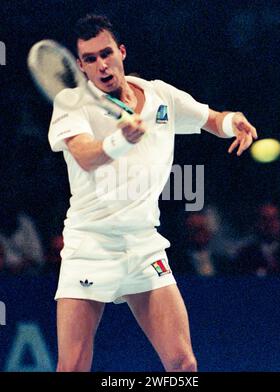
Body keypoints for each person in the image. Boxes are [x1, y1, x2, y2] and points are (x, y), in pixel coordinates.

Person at [48, 14, 257, 372]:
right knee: (73, 368)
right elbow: (84, 154)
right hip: (91, 247)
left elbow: (211, 119)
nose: (102, 64)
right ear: (81, 66)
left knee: (183, 364)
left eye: (106, 53)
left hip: (143, 245)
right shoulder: (71, 102)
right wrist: (117, 141)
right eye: (91, 59)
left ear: (122, 52)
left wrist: (231, 121)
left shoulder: (159, 94)